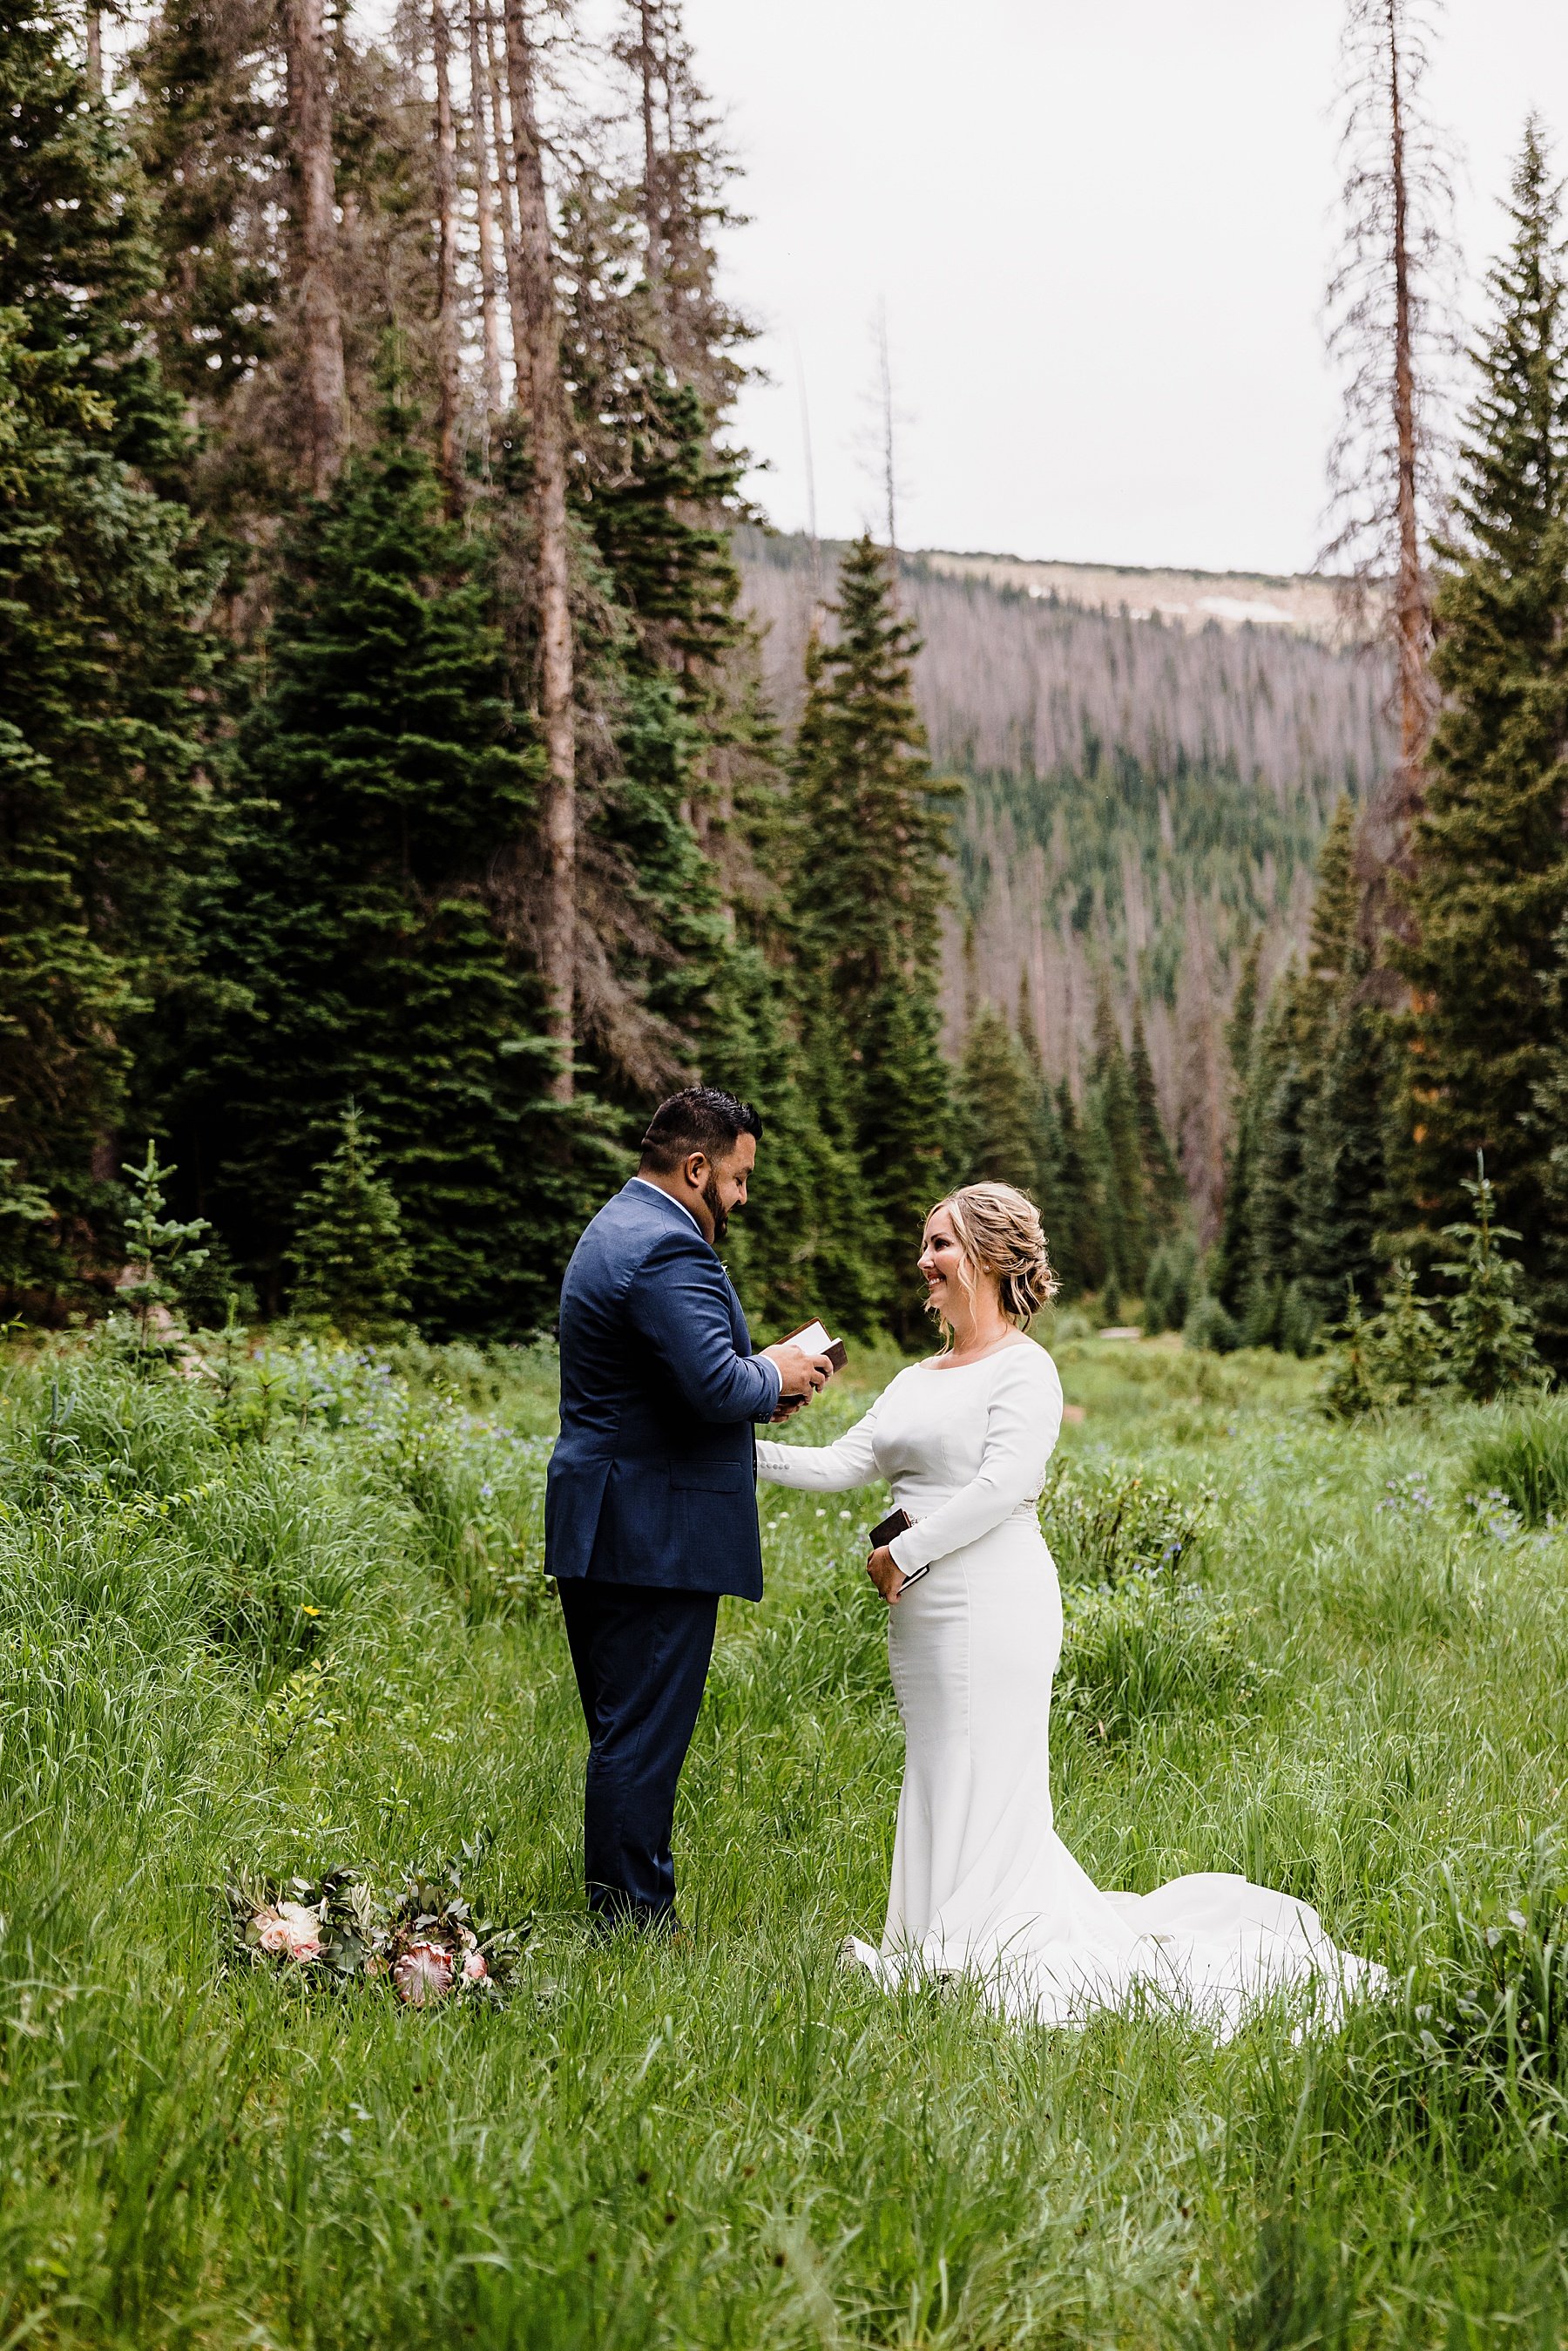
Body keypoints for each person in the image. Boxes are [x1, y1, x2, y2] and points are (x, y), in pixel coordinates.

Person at [755, 1181, 1383, 2035]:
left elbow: (1001, 1487)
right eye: (925, 1244)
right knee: (941, 1766)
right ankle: (933, 1939)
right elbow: (836, 1464)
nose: (923, 1261)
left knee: (993, 1770)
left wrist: (901, 1551)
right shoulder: (913, 1378)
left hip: (996, 1601)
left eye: (939, 1243)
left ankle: (981, 1945)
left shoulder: (1026, 1369)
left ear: (984, 1255)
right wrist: (728, 1438)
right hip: (923, 1618)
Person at [546, 1085, 835, 1931]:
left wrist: (758, 1392)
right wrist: (774, 1369)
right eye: (739, 1179)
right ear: (697, 1166)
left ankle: (620, 1913)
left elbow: (677, 1381)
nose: (742, 1197)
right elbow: (715, 1378)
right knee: (641, 1740)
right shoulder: (670, 1247)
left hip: (609, 1518)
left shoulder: (618, 1225)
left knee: (622, 1735)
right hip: (650, 1534)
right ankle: (634, 1925)